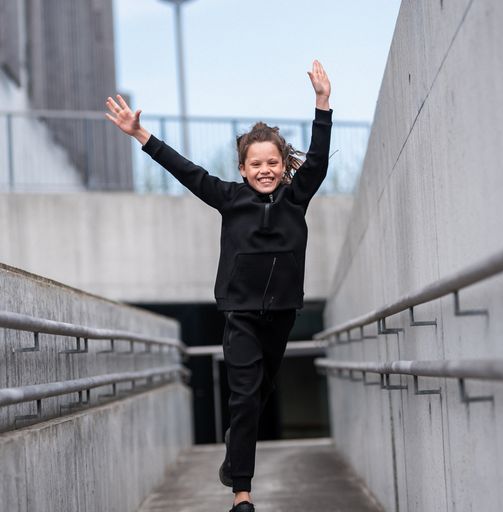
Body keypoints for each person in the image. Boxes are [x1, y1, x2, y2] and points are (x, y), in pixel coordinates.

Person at [105, 59, 332, 512]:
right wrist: (140, 134)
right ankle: (241, 494)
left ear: (283, 165)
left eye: (273, 162)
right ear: (243, 168)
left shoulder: (296, 198)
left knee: (262, 391)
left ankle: (234, 452)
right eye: (256, 164)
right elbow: (186, 170)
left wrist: (322, 104)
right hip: (240, 315)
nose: (265, 170)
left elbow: (319, 160)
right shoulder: (230, 198)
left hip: (282, 314)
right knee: (244, 397)